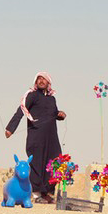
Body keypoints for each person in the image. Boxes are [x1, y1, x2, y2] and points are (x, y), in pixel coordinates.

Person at [5, 71, 66, 204]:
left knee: (55, 161)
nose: (41, 81)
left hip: (51, 137)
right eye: (38, 79)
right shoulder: (32, 95)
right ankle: (36, 194)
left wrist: (60, 115)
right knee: (37, 163)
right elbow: (21, 109)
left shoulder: (52, 99)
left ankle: (48, 193)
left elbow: (53, 113)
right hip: (36, 136)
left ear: (48, 82)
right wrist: (11, 128)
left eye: (43, 79)